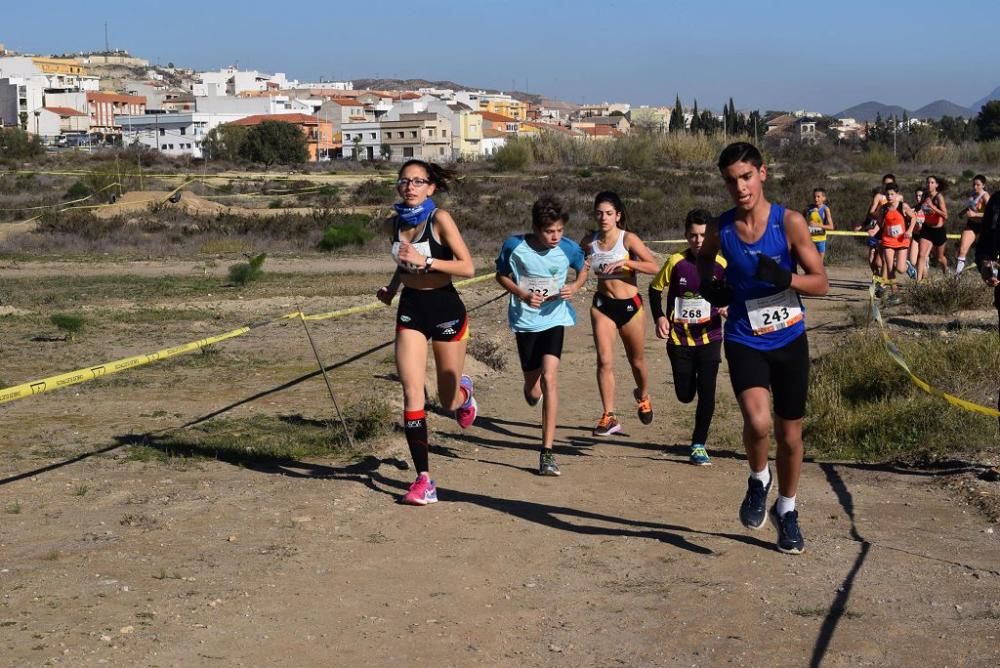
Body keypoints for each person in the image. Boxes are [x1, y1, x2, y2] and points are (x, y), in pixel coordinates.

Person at [698, 142, 829, 555]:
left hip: (789, 337)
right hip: (743, 336)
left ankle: (787, 511)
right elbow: (703, 264)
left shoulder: (788, 222)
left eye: (746, 177)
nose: (740, 187)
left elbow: (821, 282)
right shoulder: (721, 228)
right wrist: (711, 286)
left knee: (791, 436)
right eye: (731, 180)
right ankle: (758, 480)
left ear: (762, 174)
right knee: (758, 424)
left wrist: (784, 277)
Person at [376, 159, 477, 506]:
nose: (410, 187)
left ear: (431, 188)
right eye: (405, 181)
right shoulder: (393, 223)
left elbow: (467, 267)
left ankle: (464, 394)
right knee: (412, 392)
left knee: (447, 401)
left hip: (445, 308)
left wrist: (428, 263)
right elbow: (403, 261)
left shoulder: (440, 219)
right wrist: (392, 288)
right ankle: (424, 479)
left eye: (418, 182)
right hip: (411, 309)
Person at [495, 196, 588, 476]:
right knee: (534, 386)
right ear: (536, 228)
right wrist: (522, 293)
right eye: (549, 231)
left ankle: (547, 453)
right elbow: (501, 275)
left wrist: (575, 286)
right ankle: (528, 388)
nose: (555, 237)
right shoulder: (515, 246)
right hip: (525, 322)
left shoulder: (569, 248)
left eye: (560, 230)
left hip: (555, 318)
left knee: (550, 378)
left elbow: (583, 270)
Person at [649, 209, 727, 465]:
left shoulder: (722, 265)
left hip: (710, 338)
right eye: (693, 236)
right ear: (686, 235)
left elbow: (732, 293)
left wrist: (728, 305)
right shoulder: (675, 262)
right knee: (685, 395)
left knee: (707, 394)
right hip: (680, 341)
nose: (698, 241)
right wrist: (660, 316)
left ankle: (698, 444)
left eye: (703, 235)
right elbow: (654, 289)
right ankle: (686, 388)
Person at [581, 191, 661, 437]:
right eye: (599, 213)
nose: (603, 218)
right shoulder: (588, 242)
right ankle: (609, 416)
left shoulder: (628, 240)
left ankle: (643, 395)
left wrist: (628, 263)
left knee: (636, 361)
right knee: (604, 360)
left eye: (608, 213)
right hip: (603, 306)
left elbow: (654, 267)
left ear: (618, 215)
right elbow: (578, 266)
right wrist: (578, 274)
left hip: (630, 307)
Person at [877, 183, 918, 306]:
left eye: (892, 194)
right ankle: (895, 293)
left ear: (897, 195)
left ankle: (908, 266)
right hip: (888, 240)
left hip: (902, 240)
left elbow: (914, 218)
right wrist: (878, 231)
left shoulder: (903, 206)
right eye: (887, 194)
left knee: (900, 268)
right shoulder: (883, 209)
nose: (889, 197)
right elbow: (880, 223)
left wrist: (910, 230)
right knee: (889, 267)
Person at [916, 175, 949, 280]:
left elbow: (945, 215)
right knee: (921, 255)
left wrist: (933, 207)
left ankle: (946, 271)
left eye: (932, 182)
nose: (929, 184)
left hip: (938, 230)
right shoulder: (925, 195)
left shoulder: (939, 197)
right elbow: (920, 206)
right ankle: (918, 282)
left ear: (936, 185)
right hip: (926, 229)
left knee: (939, 258)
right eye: (928, 182)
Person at [956, 175, 990, 275]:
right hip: (971, 225)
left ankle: (990, 274)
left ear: (983, 185)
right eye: (974, 184)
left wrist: (975, 214)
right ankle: (957, 277)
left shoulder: (985, 196)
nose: (975, 187)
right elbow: (970, 206)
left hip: (983, 227)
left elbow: (991, 213)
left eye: (978, 185)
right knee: (962, 250)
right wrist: (962, 212)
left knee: (985, 254)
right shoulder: (973, 194)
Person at [804, 188, 835, 260]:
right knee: (809, 261)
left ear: (824, 198)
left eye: (818, 197)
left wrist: (817, 225)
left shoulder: (825, 209)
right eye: (814, 197)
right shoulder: (808, 208)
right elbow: (801, 219)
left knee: (819, 264)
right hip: (810, 239)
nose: (816, 199)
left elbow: (831, 227)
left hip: (820, 239)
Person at [906, 186, 925, 279]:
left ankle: (922, 282)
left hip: (926, 238)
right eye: (916, 196)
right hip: (916, 236)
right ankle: (918, 279)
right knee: (913, 261)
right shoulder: (912, 210)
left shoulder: (929, 210)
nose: (918, 198)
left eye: (920, 196)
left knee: (923, 263)